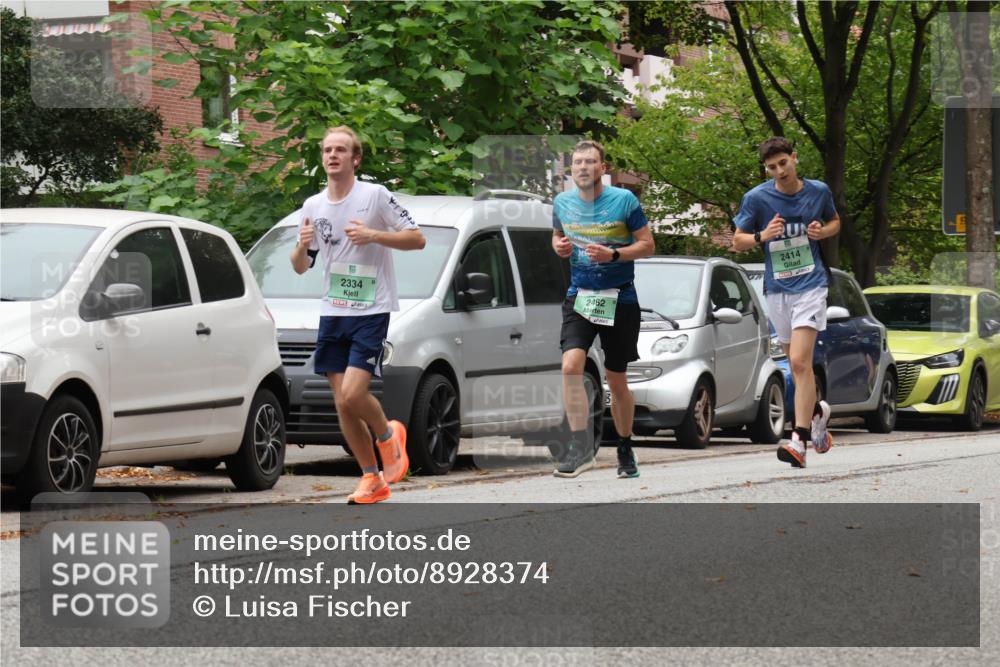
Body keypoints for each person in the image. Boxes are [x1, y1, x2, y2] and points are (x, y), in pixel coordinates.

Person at [291, 126, 425, 503]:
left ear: (356, 158)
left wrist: (374, 235)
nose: (332, 155)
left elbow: (417, 238)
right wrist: (301, 249)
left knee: (353, 393)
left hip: (372, 307)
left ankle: (387, 435)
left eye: (340, 150)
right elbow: (301, 265)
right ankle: (371, 478)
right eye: (327, 149)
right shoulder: (313, 206)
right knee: (341, 402)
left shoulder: (375, 196)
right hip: (333, 308)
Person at [732, 137, 841, 468]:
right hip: (778, 290)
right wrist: (763, 235)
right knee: (798, 366)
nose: (779, 171)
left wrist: (823, 232)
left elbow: (835, 222)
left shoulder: (818, 191)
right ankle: (818, 410)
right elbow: (737, 242)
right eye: (771, 167)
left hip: (812, 284)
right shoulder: (757, 198)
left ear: (794, 159)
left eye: (783, 163)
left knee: (798, 362)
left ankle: (798, 440)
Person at [551, 139, 655, 478]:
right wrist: (561, 247)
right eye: (577, 162)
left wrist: (613, 255)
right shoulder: (562, 202)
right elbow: (556, 237)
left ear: (602, 168)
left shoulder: (624, 200)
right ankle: (580, 447)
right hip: (580, 294)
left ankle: (624, 447)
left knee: (616, 378)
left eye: (590, 161)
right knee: (571, 365)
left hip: (619, 296)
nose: (582, 167)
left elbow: (647, 245)